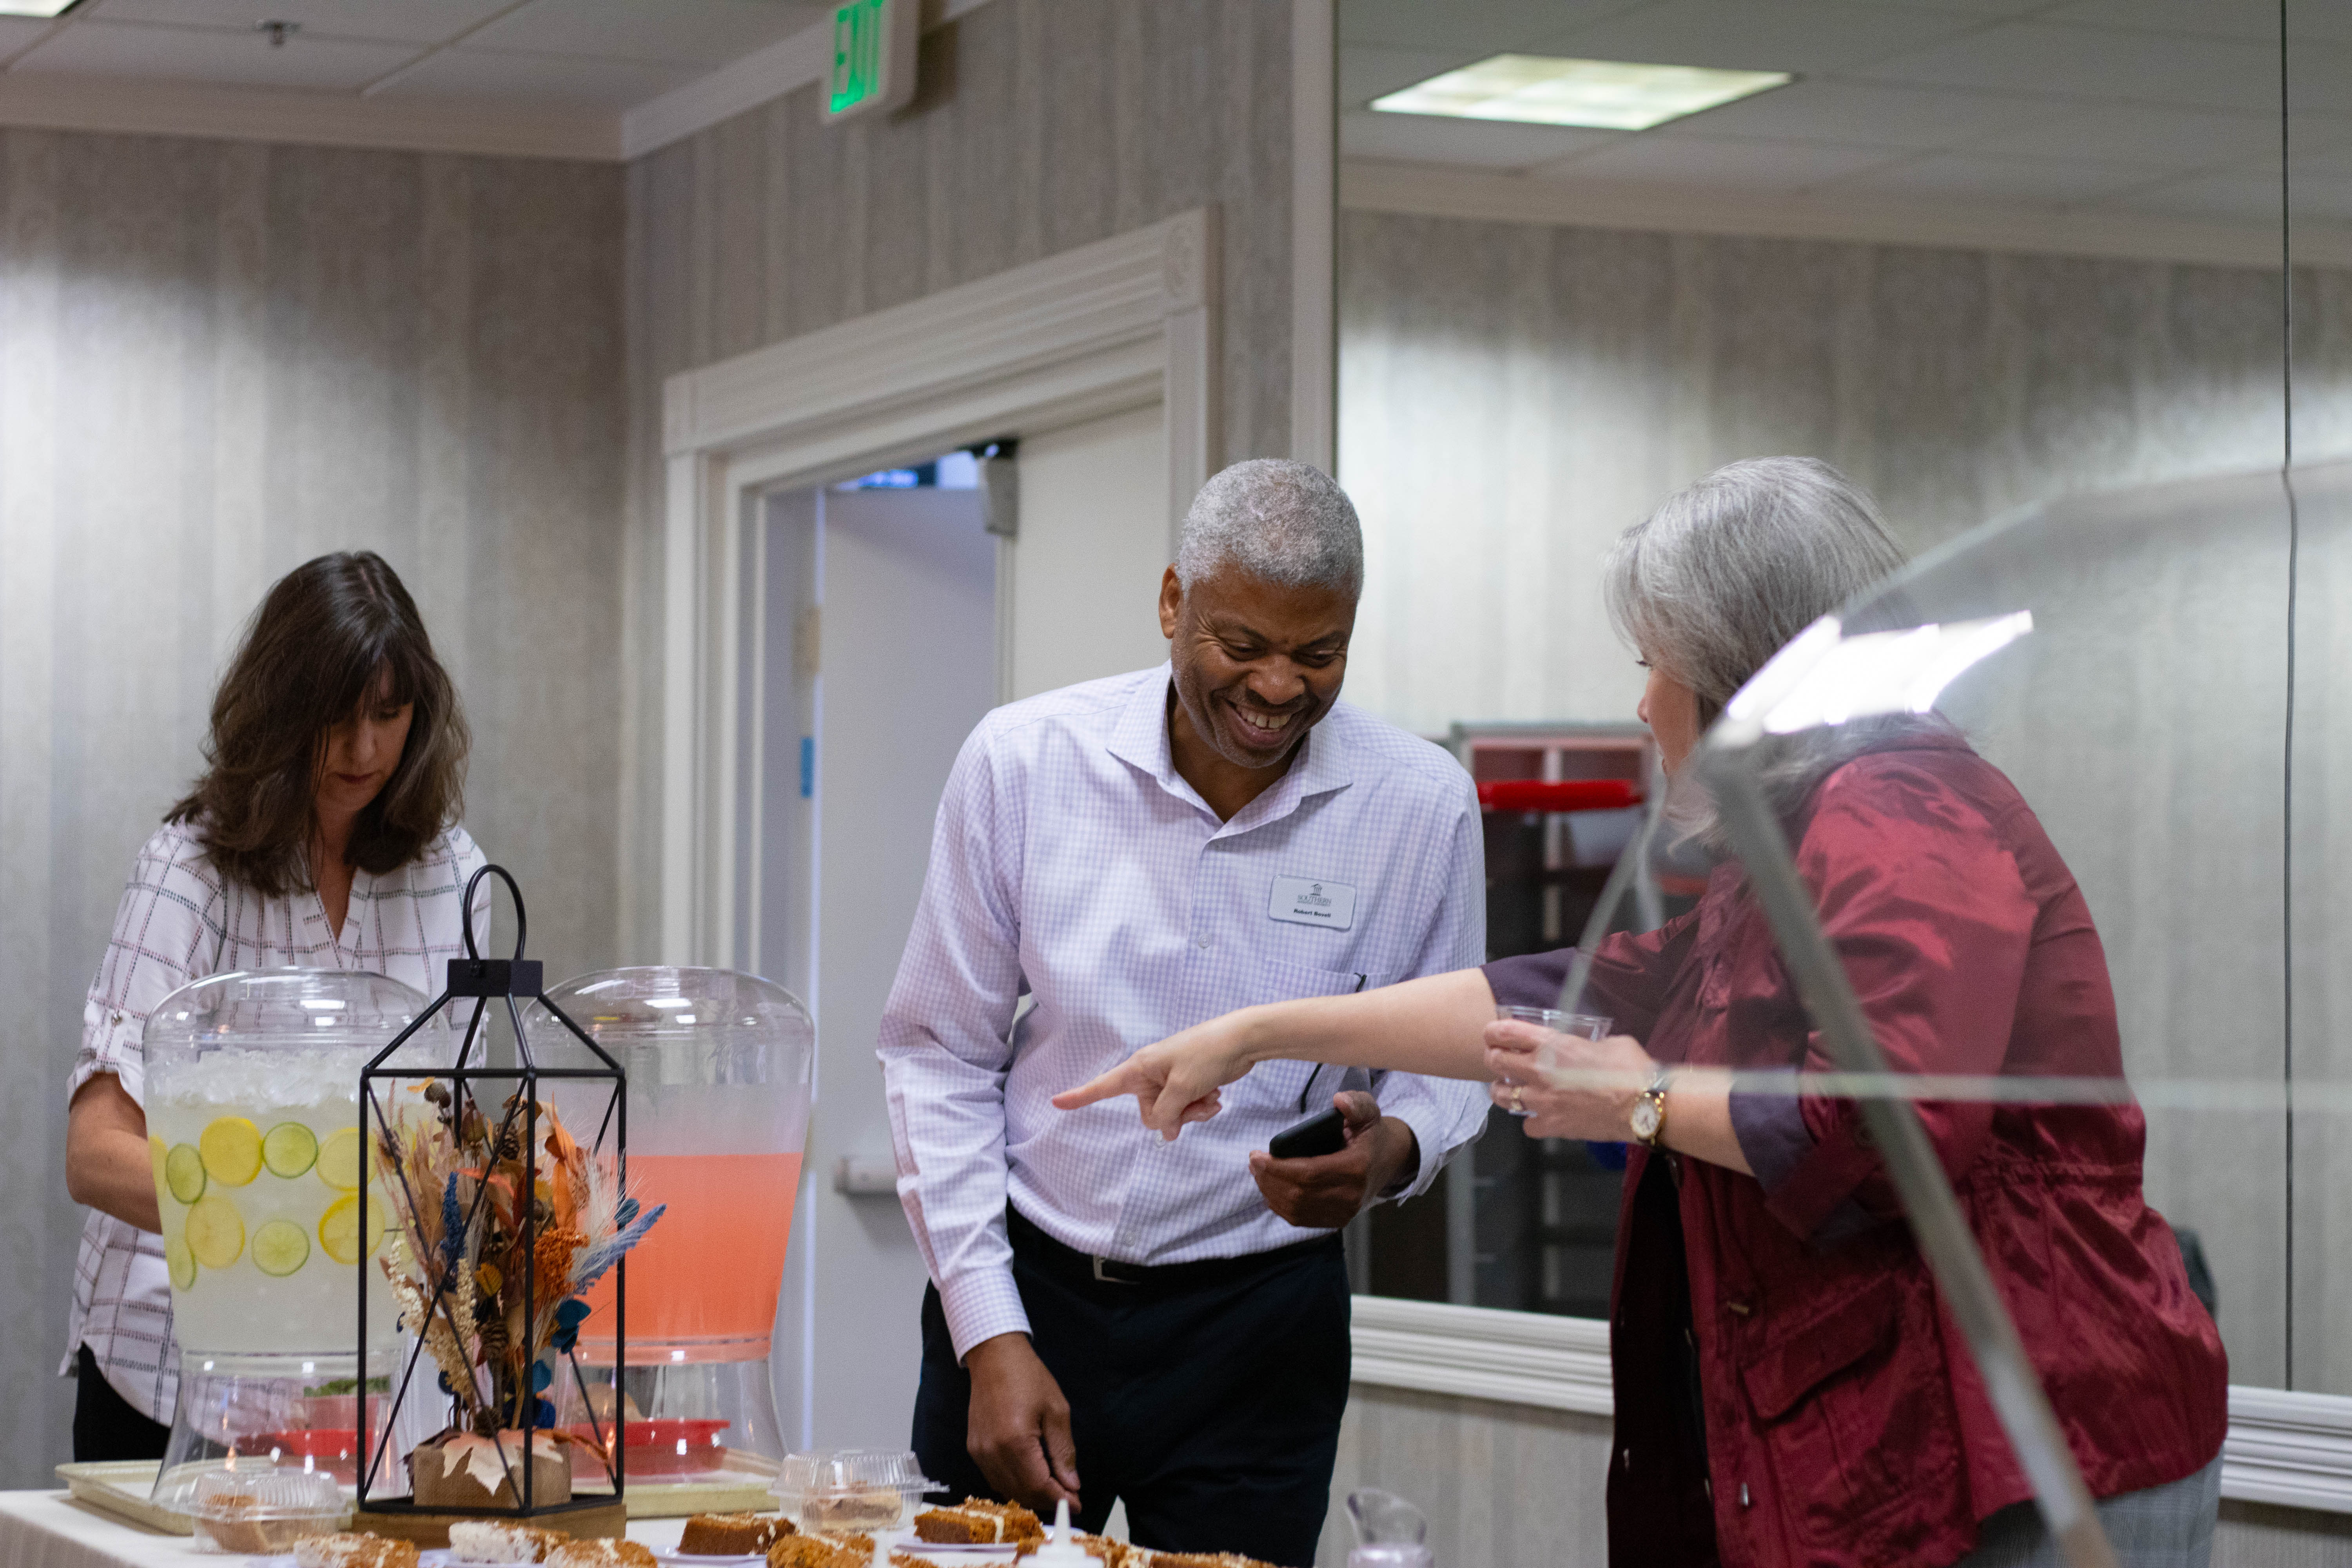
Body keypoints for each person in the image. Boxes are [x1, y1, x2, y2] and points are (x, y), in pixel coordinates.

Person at [1057, 457, 2230, 1568]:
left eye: (1655, 662)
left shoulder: (1899, 808)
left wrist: (1645, 1100)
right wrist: (1259, 1032)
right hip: (1950, 1427)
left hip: (2031, 1434)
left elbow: (1891, 1122)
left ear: (1737, 670)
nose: (1644, 700)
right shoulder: (1811, 837)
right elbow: (1583, 989)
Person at [878, 459, 1490, 1566]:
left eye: (1318, 655)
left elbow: (1448, 1060)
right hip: (1032, 1290)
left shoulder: (1420, 805)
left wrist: (1394, 1152)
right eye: (1241, 646)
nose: (1277, 690)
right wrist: (988, 1333)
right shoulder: (1024, 765)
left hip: (1261, 1327)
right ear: (1173, 604)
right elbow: (939, 1056)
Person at [62, 551, 487, 1462]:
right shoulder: (190, 871)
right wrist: (281, 1217)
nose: (367, 750)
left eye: (389, 713)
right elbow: (96, 1154)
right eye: (339, 716)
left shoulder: (455, 876)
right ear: (281, 707)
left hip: (371, 1388)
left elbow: (456, 1138)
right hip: (171, 1372)